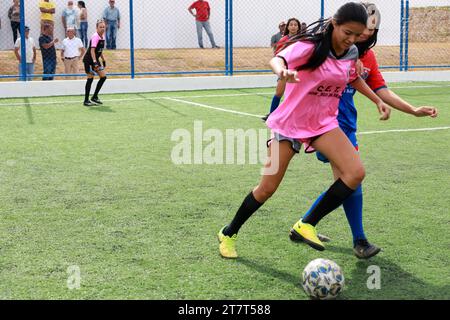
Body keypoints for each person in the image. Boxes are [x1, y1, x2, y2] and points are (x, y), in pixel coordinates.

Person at [218, 2, 391, 259]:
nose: (352, 40)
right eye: (348, 33)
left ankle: (306, 223)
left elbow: (352, 78)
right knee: (267, 188)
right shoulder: (309, 47)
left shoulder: (352, 52)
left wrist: (377, 99)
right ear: (335, 23)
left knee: (355, 173)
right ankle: (229, 233)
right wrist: (283, 71)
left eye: (357, 34)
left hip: (322, 124)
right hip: (289, 124)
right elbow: (277, 59)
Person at [289, 2, 439, 259]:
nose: (362, 35)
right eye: (358, 31)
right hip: (326, 127)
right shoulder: (331, 48)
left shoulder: (365, 57)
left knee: (346, 180)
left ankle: (303, 225)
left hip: (346, 126)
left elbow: (381, 89)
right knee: (352, 178)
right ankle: (358, 240)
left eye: (369, 30)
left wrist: (412, 110)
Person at [262, 18, 302, 122]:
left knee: (297, 95)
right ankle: (272, 115)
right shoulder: (283, 40)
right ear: (288, 27)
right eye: (291, 25)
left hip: (299, 71)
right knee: (279, 93)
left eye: (295, 25)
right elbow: (277, 54)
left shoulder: (302, 40)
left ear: (298, 27)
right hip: (286, 69)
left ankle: (294, 116)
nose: (293, 27)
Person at [82, 20, 107, 106]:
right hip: (89, 60)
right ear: (96, 28)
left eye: (103, 27)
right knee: (90, 78)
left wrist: (103, 60)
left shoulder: (102, 37)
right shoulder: (95, 37)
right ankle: (86, 100)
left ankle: (95, 97)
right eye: (100, 27)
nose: (102, 28)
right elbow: (92, 51)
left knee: (103, 77)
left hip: (95, 60)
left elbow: (99, 51)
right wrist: (95, 63)